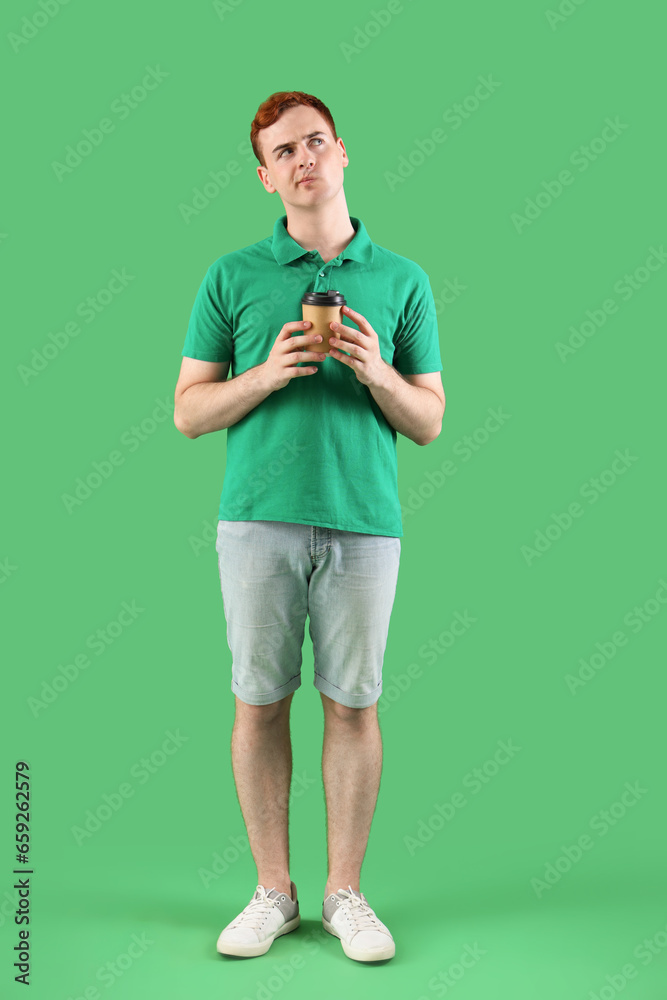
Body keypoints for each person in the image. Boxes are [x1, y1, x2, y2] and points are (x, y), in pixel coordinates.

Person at [174, 91, 444, 963]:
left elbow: (429, 420)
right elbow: (187, 411)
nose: (303, 159)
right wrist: (262, 375)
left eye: (315, 142)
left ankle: (344, 895)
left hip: (366, 523)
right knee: (258, 704)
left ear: (342, 153)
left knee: (352, 706)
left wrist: (375, 372)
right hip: (257, 521)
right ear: (266, 175)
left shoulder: (402, 279)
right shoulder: (230, 274)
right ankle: (271, 891)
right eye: (283, 151)